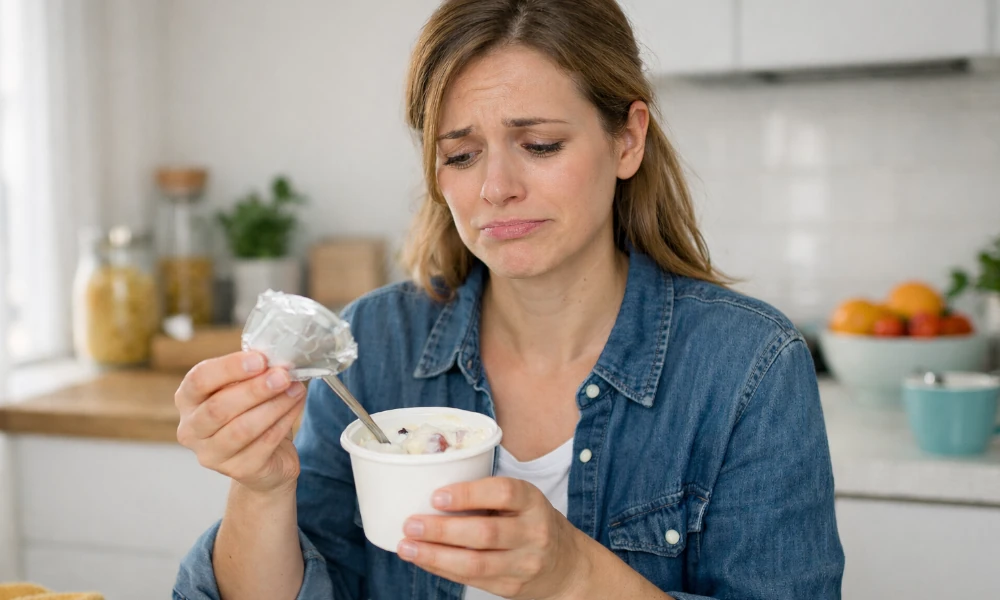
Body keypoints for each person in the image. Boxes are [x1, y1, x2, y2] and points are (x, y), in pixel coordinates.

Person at [173, 0, 845, 598]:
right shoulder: (374, 343)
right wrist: (261, 488)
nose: (496, 187)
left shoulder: (749, 367)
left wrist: (573, 577)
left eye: (540, 145)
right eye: (461, 156)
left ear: (627, 139)